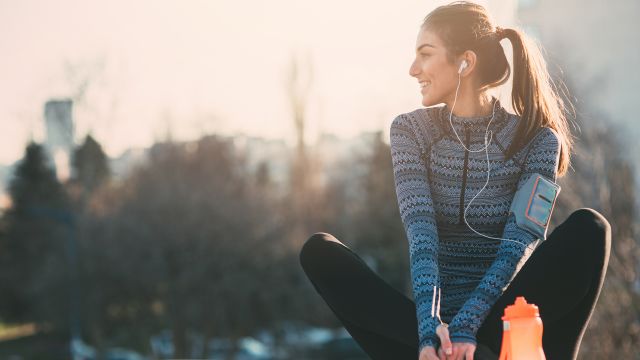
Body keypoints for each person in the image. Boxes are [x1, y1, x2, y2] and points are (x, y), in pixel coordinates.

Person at [299, 1, 611, 359]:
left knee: (591, 228)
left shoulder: (537, 140)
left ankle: (480, 350)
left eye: (425, 54)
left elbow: (517, 246)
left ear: (465, 62)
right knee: (319, 251)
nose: (413, 69)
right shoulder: (411, 132)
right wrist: (431, 331)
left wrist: (470, 326)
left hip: (502, 320)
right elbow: (422, 239)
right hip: (427, 329)